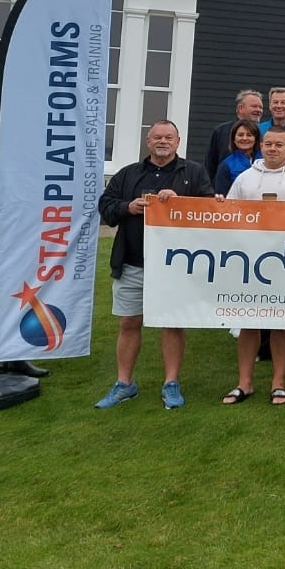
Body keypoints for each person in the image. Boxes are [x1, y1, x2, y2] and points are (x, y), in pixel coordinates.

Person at [93, 121, 213, 409]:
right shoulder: (128, 174)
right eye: (157, 137)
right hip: (133, 262)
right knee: (128, 322)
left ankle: (171, 383)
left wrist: (181, 202)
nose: (163, 141)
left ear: (178, 141)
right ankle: (124, 384)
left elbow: (210, 209)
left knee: (171, 324)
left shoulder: (193, 172)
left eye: (168, 137)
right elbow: (105, 207)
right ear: (148, 141)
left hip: (176, 265)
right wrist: (128, 207)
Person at [221, 125, 285, 406]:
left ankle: (278, 383)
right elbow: (230, 214)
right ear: (261, 146)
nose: (273, 149)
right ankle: (245, 383)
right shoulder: (245, 178)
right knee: (248, 323)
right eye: (268, 144)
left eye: (279, 145)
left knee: (281, 322)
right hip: (251, 261)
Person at [205, 89, 262, 180]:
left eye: (260, 107)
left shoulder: (264, 133)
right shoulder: (221, 132)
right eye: (254, 106)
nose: (258, 110)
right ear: (240, 108)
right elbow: (210, 166)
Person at [212, 120, 260, 196]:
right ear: (234, 139)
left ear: (256, 139)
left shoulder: (265, 160)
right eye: (240, 135)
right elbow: (221, 195)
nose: (244, 138)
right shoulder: (226, 165)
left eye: (249, 135)